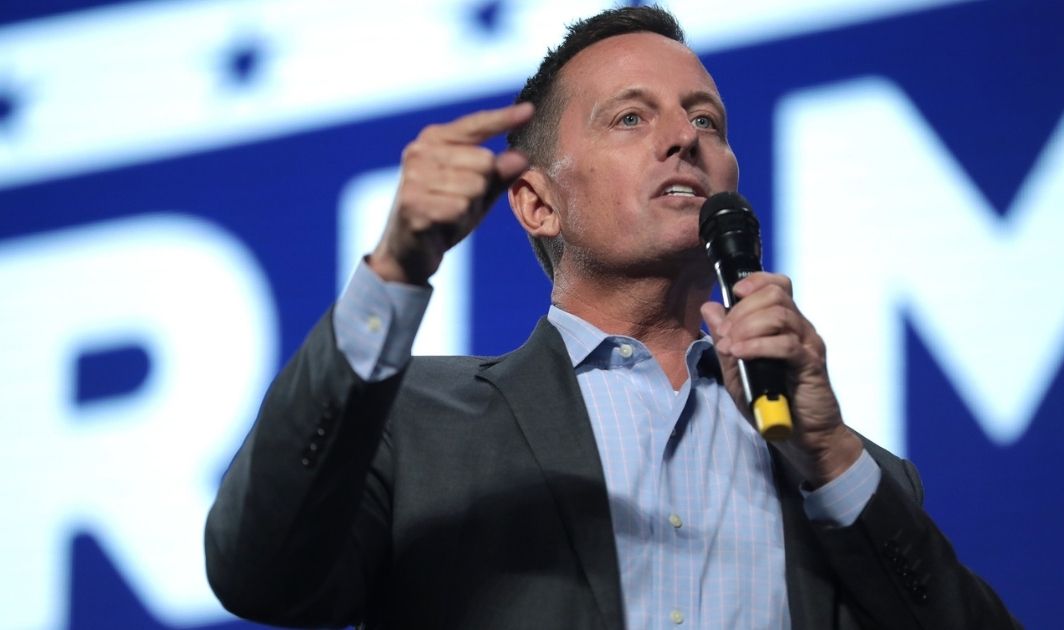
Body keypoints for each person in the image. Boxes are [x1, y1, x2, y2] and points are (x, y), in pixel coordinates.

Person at [205, 6, 1020, 629]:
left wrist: (831, 456)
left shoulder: (843, 474)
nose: (682, 139)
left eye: (707, 120)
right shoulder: (419, 428)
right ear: (536, 202)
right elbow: (259, 573)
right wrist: (395, 270)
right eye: (630, 118)